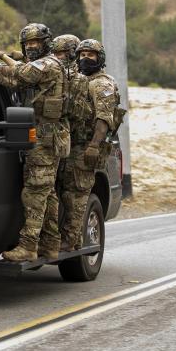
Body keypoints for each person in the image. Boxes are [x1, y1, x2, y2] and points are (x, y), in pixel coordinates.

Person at [0, 23, 70, 262]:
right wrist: (4, 58)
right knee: (47, 193)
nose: (31, 47)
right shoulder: (48, 64)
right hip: (47, 136)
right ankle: (51, 244)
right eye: (28, 43)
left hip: (44, 139)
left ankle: (29, 246)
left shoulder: (47, 64)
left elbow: (15, 78)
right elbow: (23, 69)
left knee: (33, 194)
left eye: (35, 43)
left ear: (46, 43)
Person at [59, 38, 121, 252]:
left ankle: (72, 240)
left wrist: (94, 145)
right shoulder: (78, 79)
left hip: (86, 146)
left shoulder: (102, 83)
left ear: (99, 58)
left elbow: (104, 119)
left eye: (90, 55)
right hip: (72, 145)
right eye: (82, 55)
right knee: (67, 192)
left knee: (77, 195)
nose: (85, 58)